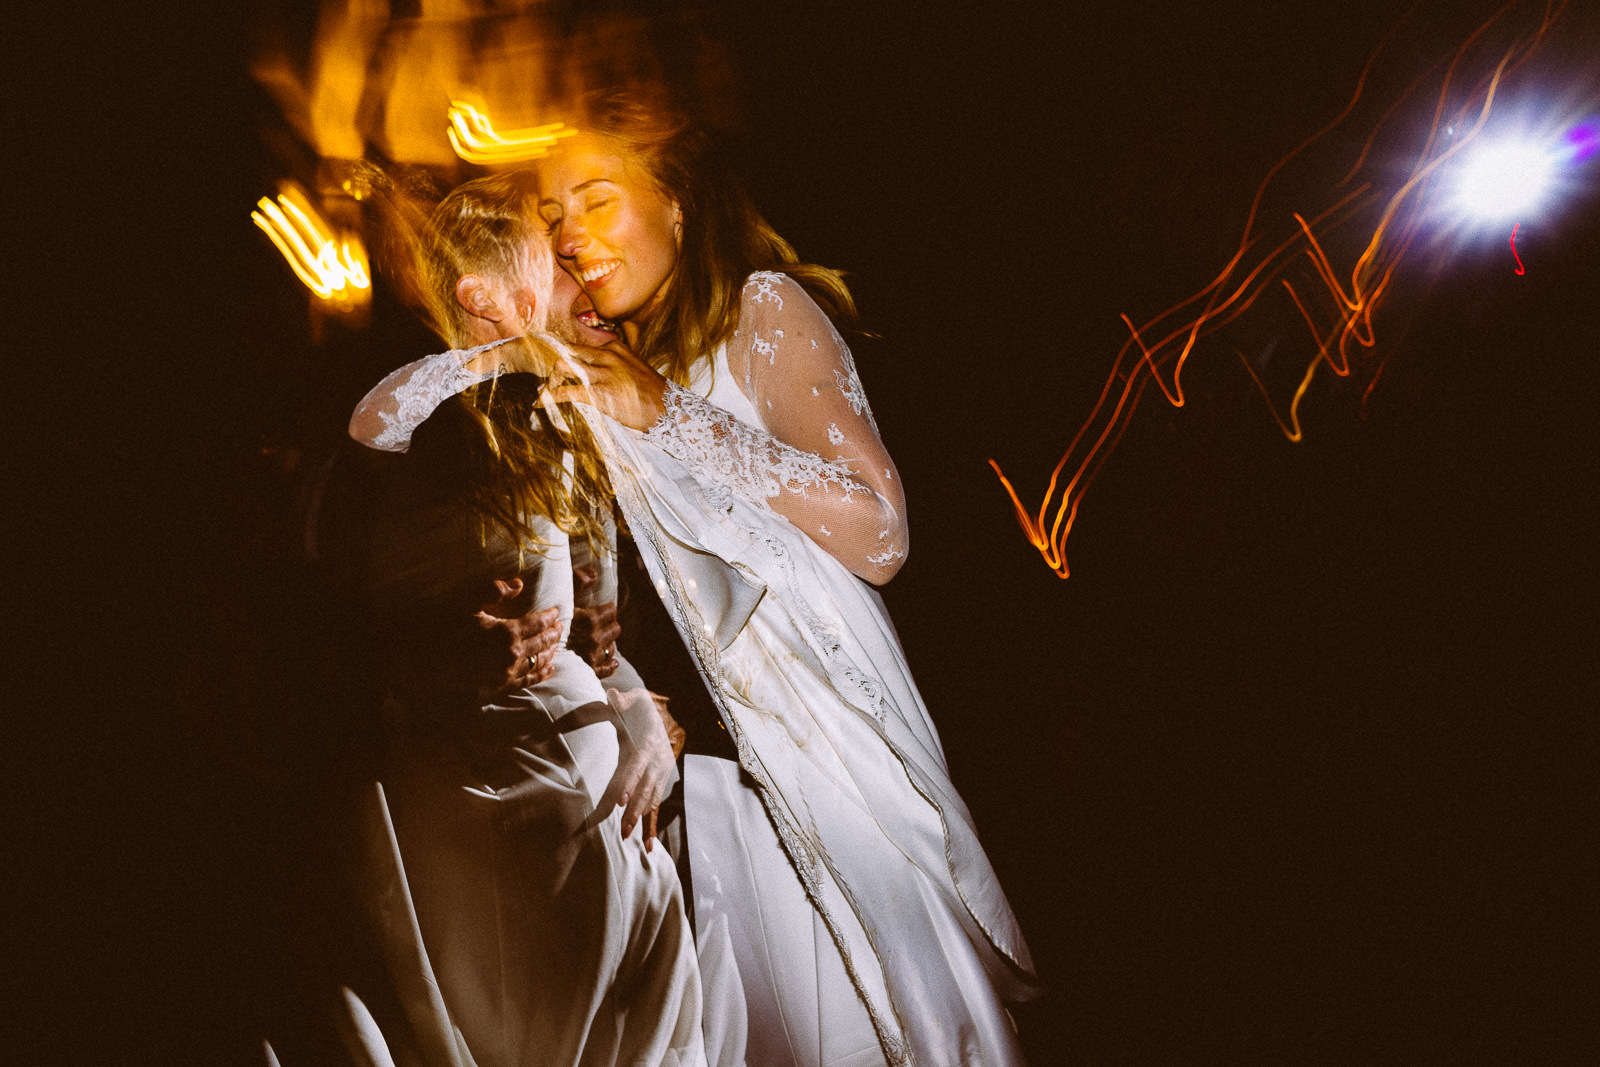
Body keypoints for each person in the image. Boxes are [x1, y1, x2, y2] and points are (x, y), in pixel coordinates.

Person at [351, 94, 1039, 1067]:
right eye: (554, 221)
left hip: (809, 761)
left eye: (595, 201)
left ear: (675, 205)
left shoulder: (755, 310)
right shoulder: (585, 366)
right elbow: (388, 430)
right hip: (688, 789)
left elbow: (880, 532)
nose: (574, 237)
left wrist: (667, 410)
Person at [348, 171, 708, 1067]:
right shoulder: (418, 429)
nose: (582, 272)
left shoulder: (566, 423)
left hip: (581, 779)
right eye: (553, 260)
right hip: (476, 784)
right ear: (483, 295)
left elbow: (598, 629)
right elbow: (353, 599)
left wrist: (640, 715)